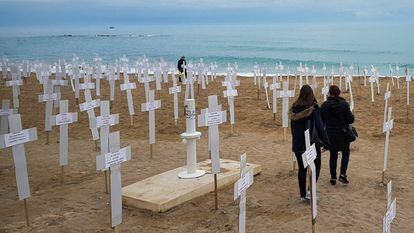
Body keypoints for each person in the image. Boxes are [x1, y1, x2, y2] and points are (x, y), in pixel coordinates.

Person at [290, 85, 330, 202]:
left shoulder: (294, 109)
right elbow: (319, 127)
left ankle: (303, 195)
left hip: (298, 144)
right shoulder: (313, 109)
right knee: (316, 166)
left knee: (302, 169)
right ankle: (309, 190)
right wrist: (326, 142)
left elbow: (293, 129)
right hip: (311, 144)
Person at [321, 85, 355, 185]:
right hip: (343, 133)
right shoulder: (344, 104)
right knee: (345, 153)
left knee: (333, 155)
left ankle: (333, 177)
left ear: (329, 93)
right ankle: (342, 174)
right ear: (339, 93)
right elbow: (350, 119)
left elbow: (322, 121)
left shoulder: (324, 105)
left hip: (330, 133)